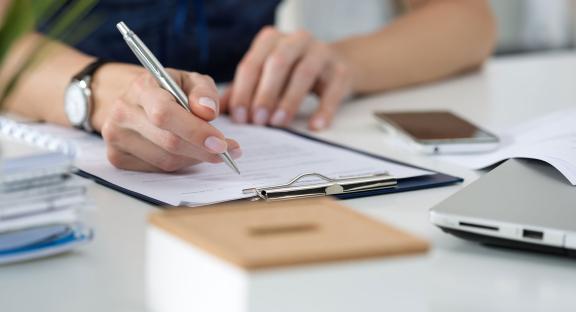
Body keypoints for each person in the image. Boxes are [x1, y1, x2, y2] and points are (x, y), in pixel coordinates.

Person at [0, 0, 495, 172]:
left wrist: (340, 64)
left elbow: (470, 20)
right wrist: (94, 92)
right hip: (51, 151)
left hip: (246, 126)